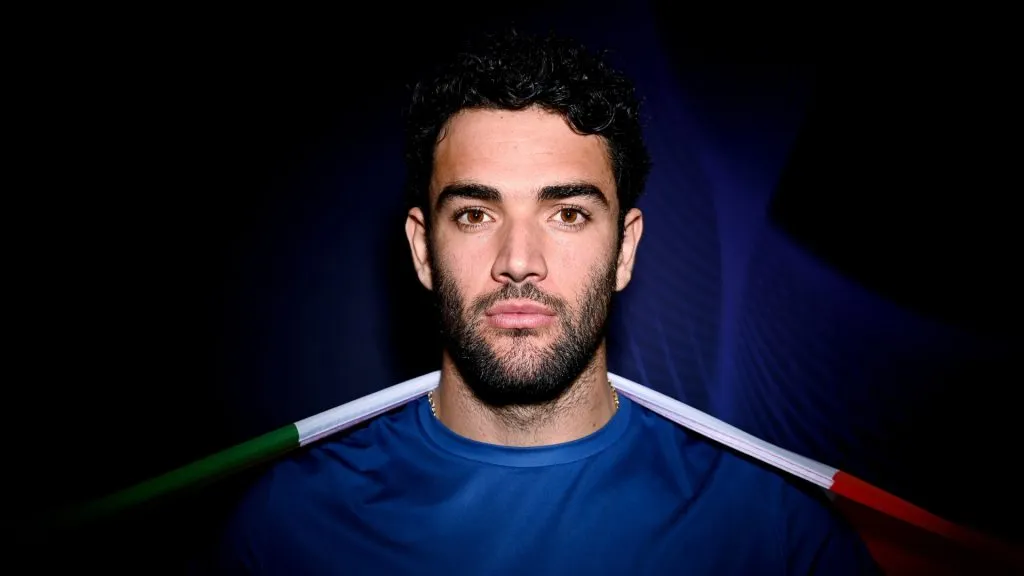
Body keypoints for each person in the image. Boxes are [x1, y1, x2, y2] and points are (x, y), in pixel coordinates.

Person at [216, 29, 879, 574]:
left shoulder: (772, 537)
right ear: (422, 249)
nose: (519, 263)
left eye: (567, 214)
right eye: (476, 214)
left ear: (624, 249)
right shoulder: (290, 529)